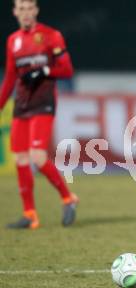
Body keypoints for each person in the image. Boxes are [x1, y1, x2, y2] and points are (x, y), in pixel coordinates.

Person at [0, 0, 77, 229]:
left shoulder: (51, 36)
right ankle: (30, 214)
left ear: (36, 10)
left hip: (43, 104)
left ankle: (68, 198)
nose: (25, 13)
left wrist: (44, 70)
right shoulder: (13, 41)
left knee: (37, 156)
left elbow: (66, 69)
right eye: (20, 8)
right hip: (21, 105)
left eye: (29, 8)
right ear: (15, 12)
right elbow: (11, 78)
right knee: (21, 159)